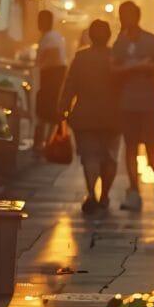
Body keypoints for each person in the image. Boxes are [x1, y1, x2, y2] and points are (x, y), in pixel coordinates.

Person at [113, 1, 154, 211]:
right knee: (130, 147)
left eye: (127, 15)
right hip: (127, 104)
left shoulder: (152, 41)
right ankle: (133, 189)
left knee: (151, 145)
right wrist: (136, 67)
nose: (123, 19)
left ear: (137, 17)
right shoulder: (119, 43)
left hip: (148, 104)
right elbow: (112, 72)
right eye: (122, 15)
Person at [59, 19, 119, 216]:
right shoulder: (116, 57)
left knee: (90, 157)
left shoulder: (81, 57)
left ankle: (92, 195)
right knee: (109, 157)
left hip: (85, 117)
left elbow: (70, 86)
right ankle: (105, 196)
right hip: (112, 117)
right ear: (109, 35)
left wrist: (63, 109)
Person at [34, 9, 68, 149]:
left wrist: (41, 65)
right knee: (47, 112)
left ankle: (45, 143)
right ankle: (45, 143)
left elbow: (53, 55)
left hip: (52, 77)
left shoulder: (51, 37)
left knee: (46, 112)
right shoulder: (50, 36)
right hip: (51, 76)